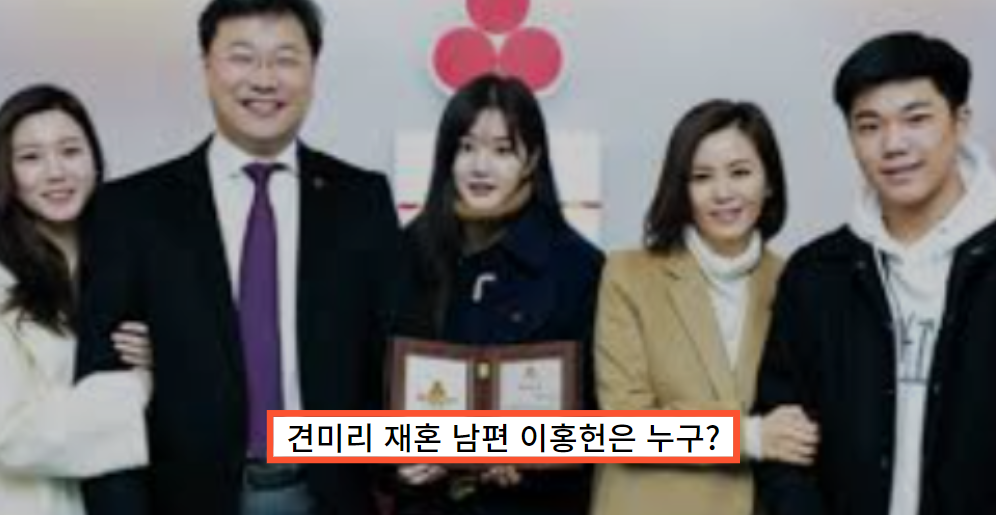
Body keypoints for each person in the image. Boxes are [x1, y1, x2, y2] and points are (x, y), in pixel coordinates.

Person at [73, 0, 401, 514]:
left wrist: (446, 452)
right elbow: (101, 402)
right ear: (207, 66)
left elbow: (392, 365)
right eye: (242, 57)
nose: (264, 79)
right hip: (184, 500)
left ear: (313, 69)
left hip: (330, 494)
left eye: (285, 59)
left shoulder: (362, 201)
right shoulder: (132, 209)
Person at [754, 31, 996, 515]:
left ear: (960, 122)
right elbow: (594, 436)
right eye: (869, 126)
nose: (893, 144)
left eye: (916, 119)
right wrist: (743, 437)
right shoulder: (815, 274)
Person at [591, 99, 818, 515]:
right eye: (701, 177)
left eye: (740, 172)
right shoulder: (628, 276)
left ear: (769, 182)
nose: (723, 193)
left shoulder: (797, 282)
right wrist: (747, 437)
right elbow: (624, 428)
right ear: (681, 189)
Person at [392, 73, 604, 515]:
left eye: (502, 150)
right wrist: (393, 458)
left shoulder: (579, 267)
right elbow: (366, 389)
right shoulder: (404, 255)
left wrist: (534, 459)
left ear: (532, 160)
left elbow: (602, 415)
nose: (480, 167)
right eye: (466, 147)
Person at [0, 84, 152, 515]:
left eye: (70, 151)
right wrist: (137, 387)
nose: (56, 172)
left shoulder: (131, 255)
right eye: (30, 157)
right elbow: (9, 432)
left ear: (94, 159)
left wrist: (166, 355)